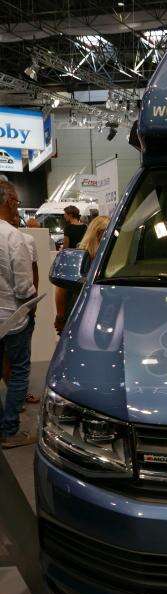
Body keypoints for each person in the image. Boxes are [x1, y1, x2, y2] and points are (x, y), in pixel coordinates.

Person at [0, 181, 36, 447]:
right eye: (15, 201)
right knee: (20, 371)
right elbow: (24, 287)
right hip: (12, 318)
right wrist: (32, 307)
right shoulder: (13, 236)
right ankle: (10, 431)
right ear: (9, 200)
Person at [54, 215, 110, 334]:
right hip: (78, 315)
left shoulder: (113, 259)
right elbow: (61, 289)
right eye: (108, 234)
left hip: (105, 315)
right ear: (98, 234)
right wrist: (60, 316)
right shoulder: (77, 258)